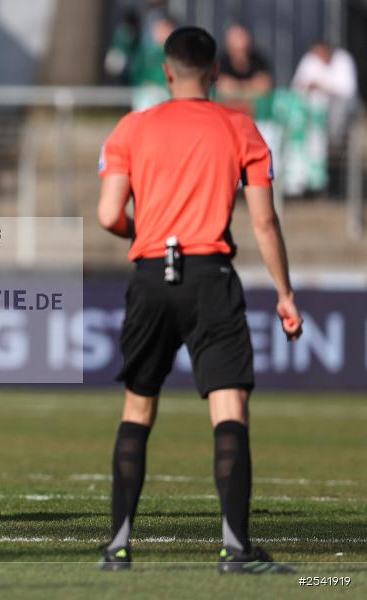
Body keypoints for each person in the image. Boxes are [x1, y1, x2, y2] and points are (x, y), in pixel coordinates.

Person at [96, 27, 303, 573]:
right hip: (211, 275)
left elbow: (108, 214)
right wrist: (285, 293)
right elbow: (264, 219)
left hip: (149, 274)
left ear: (166, 72)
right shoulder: (240, 127)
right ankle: (236, 549)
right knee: (229, 408)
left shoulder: (132, 127)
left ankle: (118, 547)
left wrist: (143, 235)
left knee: (138, 406)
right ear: (214, 72)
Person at [292, 41, 359, 151]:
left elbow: (348, 91)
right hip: (312, 110)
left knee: (335, 107)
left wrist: (323, 88)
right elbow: (296, 88)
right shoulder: (309, 59)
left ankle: (332, 142)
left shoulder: (343, 59)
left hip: (341, 110)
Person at [216, 24, 273, 111]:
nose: (240, 56)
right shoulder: (221, 62)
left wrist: (236, 89)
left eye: (243, 50)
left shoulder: (258, 61)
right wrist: (251, 89)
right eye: (236, 50)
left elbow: (264, 87)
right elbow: (222, 90)